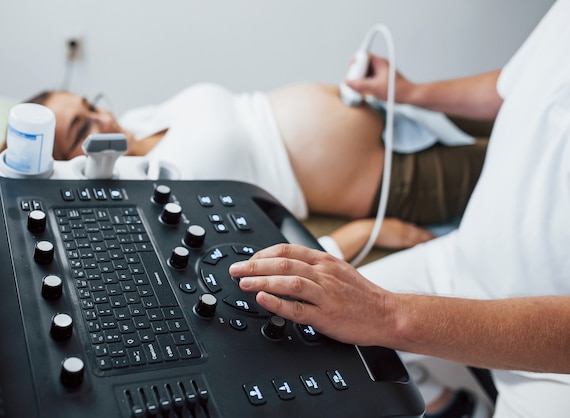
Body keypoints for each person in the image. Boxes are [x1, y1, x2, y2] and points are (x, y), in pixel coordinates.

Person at [229, 1, 570, 417]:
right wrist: (415, 93)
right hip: (462, 261)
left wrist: (387, 315)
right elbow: (515, 83)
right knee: (302, 335)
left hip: (555, 366)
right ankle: (455, 409)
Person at [8, 82, 486, 260]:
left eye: (91, 104)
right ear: (72, 163)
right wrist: (354, 237)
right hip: (393, 177)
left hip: (391, 107)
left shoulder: (139, 118)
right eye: (82, 127)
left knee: (532, 100)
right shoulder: (147, 189)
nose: (103, 118)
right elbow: (246, 257)